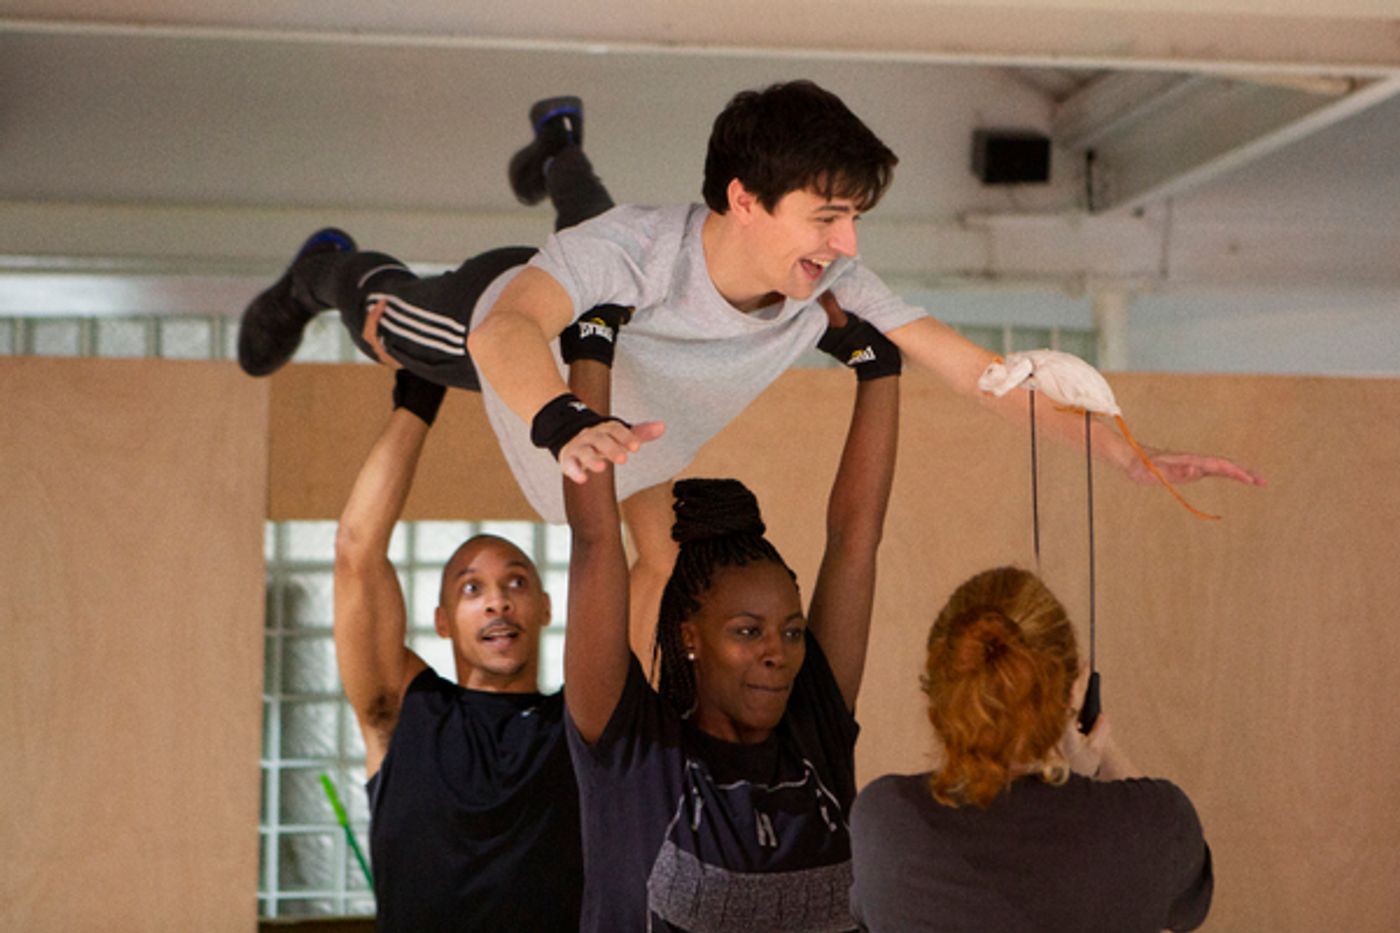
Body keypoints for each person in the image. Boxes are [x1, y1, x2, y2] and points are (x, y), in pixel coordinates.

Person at [239, 82, 1262, 648]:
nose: (846, 246)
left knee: (660, 563)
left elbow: (978, 375)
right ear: (742, 200)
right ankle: (322, 269)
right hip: (509, 332)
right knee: (388, 321)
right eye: (826, 218)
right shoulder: (636, 251)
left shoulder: (828, 284)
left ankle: (557, 146)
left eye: (854, 218)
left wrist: (1126, 453)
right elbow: (507, 336)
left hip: (623, 403)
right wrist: (558, 420)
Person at [559, 293, 900, 931]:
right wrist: (591, 342)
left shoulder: (812, 737)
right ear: (690, 636)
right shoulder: (633, 750)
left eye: (792, 632)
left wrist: (874, 366)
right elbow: (596, 541)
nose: (779, 651)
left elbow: (857, 539)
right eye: (748, 631)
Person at [332, 367, 582, 931]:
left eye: (516, 582)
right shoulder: (401, 714)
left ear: (545, 607)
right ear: (443, 621)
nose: (497, 602)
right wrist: (420, 391)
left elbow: (653, 570)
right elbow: (356, 550)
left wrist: (601, 412)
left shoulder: (582, 725)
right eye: (472, 588)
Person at [848, 566, 1214, 933]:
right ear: (1074, 689)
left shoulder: (886, 820)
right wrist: (1096, 762)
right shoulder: (1153, 822)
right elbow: (1188, 906)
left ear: (940, 697)